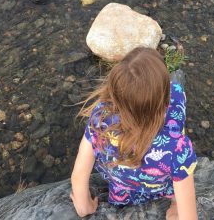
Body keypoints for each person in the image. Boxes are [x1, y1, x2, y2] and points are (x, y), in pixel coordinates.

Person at [70, 47, 198, 219]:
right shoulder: (177, 148)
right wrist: (177, 208)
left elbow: (79, 175)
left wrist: (84, 206)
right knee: (177, 93)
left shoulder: (100, 119)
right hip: (162, 189)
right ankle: (174, 201)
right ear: (162, 101)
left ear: (115, 93)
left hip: (122, 190)